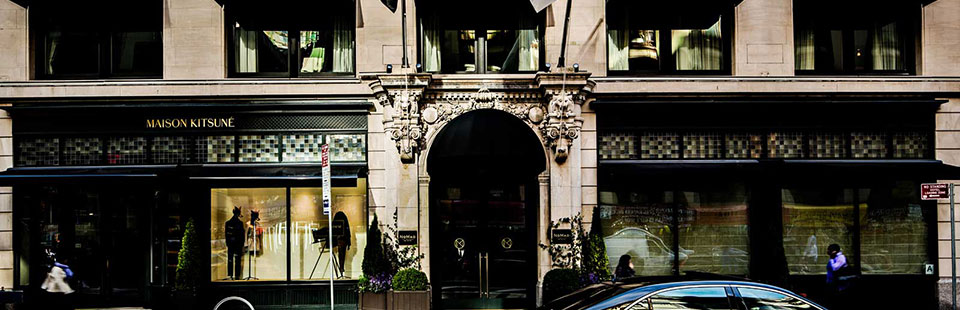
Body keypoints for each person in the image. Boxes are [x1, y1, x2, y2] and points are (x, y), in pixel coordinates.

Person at [826, 243, 852, 309]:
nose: (827, 252)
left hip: (840, 287)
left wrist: (831, 258)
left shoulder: (841, 258)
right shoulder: (833, 258)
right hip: (832, 284)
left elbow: (835, 268)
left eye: (829, 250)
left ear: (834, 251)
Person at [225, 206, 245, 280]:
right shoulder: (239, 223)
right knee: (236, 260)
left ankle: (232, 274)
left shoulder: (229, 223)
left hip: (233, 244)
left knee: (232, 260)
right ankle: (236, 275)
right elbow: (241, 235)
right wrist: (242, 244)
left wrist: (228, 243)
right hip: (236, 245)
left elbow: (227, 235)